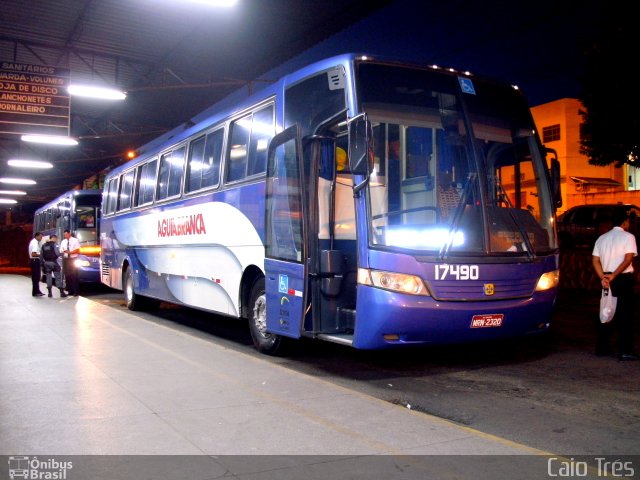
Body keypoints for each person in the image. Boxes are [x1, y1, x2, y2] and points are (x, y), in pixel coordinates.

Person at [592, 209, 639, 361]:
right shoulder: (628, 237)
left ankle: (602, 348)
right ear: (625, 222)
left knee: (606, 312)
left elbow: (595, 260)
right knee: (625, 315)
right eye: (629, 222)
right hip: (622, 279)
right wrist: (614, 275)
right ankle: (624, 350)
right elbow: (627, 260)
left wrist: (603, 277)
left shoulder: (602, 238)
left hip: (606, 280)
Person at [40, 234, 67, 298]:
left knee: (48, 277)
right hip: (53, 262)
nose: (56, 240)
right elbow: (57, 253)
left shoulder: (43, 245)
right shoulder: (55, 245)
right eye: (56, 239)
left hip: (46, 263)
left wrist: (42, 264)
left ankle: (50, 293)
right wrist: (62, 252)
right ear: (54, 238)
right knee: (58, 277)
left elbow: (41, 256)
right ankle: (61, 292)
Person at [60, 229, 80, 296]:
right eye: (64, 235)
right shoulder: (63, 241)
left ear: (69, 234)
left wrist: (70, 252)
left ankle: (75, 291)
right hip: (66, 259)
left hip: (73, 259)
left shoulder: (75, 240)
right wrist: (63, 251)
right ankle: (69, 290)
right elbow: (61, 250)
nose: (65, 236)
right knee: (67, 275)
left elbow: (77, 250)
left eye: (66, 234)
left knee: (74, 275)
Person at [28, 232, 44, 296]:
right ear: (36, 236)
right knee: (36, 277)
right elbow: (33, 254)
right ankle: (35, 292)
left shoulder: (34, 242)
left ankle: (37, 291)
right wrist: (41, 255)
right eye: (40, 237)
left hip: (34, 261)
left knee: (36, 277)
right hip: (35, 260)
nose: (41, 238)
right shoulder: (35, 243)